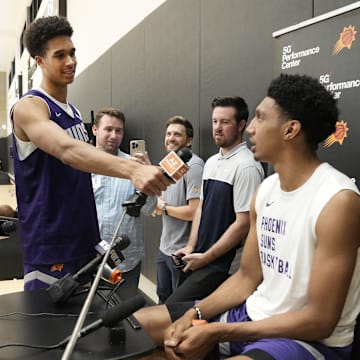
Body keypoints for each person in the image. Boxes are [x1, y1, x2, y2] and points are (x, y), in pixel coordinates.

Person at [134, 74, 360, 360]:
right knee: (133, 331)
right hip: (249, 314)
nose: (250, 129)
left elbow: (320, 320)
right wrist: (194, 312)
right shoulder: (266, 190)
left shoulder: (337, 200)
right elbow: (246, 277)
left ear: (290, 130)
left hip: (306, 340)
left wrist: (220, 332)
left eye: (260, 119)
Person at [9, 16, 171, 291]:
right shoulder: (29, 107)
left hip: (84, 241)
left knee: (87, 330)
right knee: (50, 331)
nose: (71, 61)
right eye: (59, 55)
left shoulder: (73, 113)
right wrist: (132, 169)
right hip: (51, 246)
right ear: (39, 61)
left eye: (72, 53)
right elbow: (66, 149)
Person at [163, 96, 264, 304]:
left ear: (241, 125)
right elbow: (201, 207)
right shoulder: (211, 162)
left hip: (223, 268)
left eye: (225, 122)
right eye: (214, 121)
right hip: (200, 258)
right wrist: (191, 247)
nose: (217, 128)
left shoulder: (247, 166)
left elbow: (243, 223)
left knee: (173, 310)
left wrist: (206, 257)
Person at [91, 107, 157, 299]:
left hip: (128, 260)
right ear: (95, 129)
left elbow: (149, 208)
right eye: (108, 129)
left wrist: (148, 178)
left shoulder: (135, 166)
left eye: (118, 130)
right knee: (92, 315)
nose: (114, 135)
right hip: (91, 259)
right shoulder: (83, 165)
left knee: (124, 319)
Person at [152, 116, 204, 303]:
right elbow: (162, 198)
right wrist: (158, 204)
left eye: (177, 134)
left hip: (180, 252)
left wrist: (163, 208)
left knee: (178, 305)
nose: (171, 138)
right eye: (168, 134)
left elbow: (194, 211)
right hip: (164, 247)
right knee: (162, 299)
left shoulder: (195, 166)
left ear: (189, 141)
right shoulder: (169, 163)